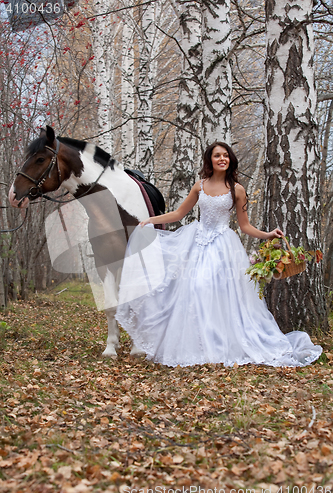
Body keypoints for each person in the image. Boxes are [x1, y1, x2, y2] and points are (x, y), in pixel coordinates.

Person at [115, 142, 322, 367]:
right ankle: (199, 344)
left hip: (224, 247)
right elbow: (178, 213)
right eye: (217, 156)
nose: (221, 159)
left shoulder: (237, 189)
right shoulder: (199, 186)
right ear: (210, 160)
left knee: (221, 292)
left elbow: (245, 226)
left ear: (230, 160)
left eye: (225, 155)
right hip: (197, 243)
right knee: (195, 289)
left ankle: (222, 344)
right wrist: (150, 220)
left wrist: (268, 234)